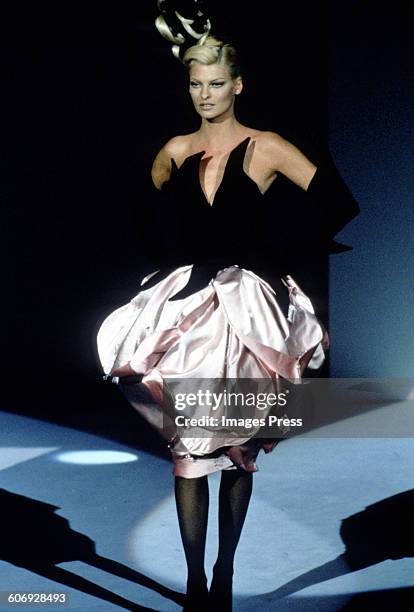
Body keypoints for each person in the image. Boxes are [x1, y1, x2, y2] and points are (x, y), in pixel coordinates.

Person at [97, 12, 359, 611]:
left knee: (239, 447)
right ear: (186, 84)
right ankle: (196, 585)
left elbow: (337, 203)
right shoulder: (177, 149)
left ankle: (223, 574)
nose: (205, 94)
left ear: (237, 84)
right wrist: (173, 266)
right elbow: (142, 210)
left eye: (216, 83)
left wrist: (276, 256)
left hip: (246, 311)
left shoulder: (264, 146)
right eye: (196, 83)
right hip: (192, 311)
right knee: (190, 451)